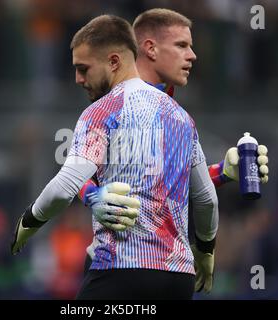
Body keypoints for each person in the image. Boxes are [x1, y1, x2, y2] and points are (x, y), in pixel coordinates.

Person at [11, 14, 218, 299]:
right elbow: (206, 199)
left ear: (113, 62)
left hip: (121, 270)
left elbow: (63, 189)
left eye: (83, 68)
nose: (78, 78)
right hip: (178, 279)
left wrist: (27, 223)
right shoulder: (182, 118)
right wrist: (205, 251)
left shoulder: (102, 111)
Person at [78, 8, 270, 294]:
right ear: (149, 49)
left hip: (157, 269)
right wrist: (94, 197)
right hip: (121, 264)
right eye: (182, 46)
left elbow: (165, 185)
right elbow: (77, 175)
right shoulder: (114, 98)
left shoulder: (172, 109)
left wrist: (223, 172)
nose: (192, 55)